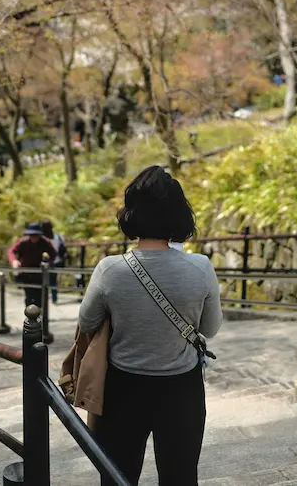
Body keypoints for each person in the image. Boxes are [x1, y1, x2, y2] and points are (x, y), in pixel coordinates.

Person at [79, 165, 221, 486]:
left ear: (132, 214)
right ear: (180, 213)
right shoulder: (200, 268)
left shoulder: (109, 270)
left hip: (122, 389)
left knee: (117, 475)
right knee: (180, 476)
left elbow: (87, 322)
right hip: (181, 389)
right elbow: (210, 328)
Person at [8, 223, 58, 306]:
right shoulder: (23, 242)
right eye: (31, 235)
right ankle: (29, 316)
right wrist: (14, 261)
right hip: (27, 273)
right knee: (29, 296)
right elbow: (11, 251)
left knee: (40, 297)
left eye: (36, 235)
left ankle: (40, 316)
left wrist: (48, 262)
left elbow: (54, 254)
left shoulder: (45, 242)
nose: (33, 237)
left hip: (41, 273)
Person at [41, 220, 68, 303]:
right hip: (55, 261)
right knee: (53, 281)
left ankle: (44, 298)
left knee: (42, 281)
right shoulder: (58, 237)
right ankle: (54, 298)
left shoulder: (42, 239)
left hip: (44, 262)